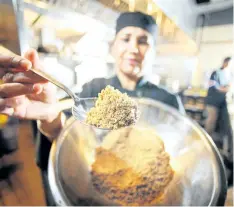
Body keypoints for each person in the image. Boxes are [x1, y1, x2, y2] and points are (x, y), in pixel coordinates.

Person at [0, 11, 185, 205]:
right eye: (125, 39)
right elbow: (70, 147)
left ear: (153, 51)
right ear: (113, 47)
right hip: (96, 194)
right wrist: (51, 120)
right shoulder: (94, 90)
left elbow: (179, 162)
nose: (133, 48)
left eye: (143, 41)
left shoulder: (169, 101)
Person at [205, 57, 233, 168]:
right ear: (225, 62)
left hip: (223, 104)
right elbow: (213, 85)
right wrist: (224, 89)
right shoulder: (216, 73)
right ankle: (207, 143)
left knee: (223, 126)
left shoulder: (229, 74)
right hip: (213, 102)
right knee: (211, 122)